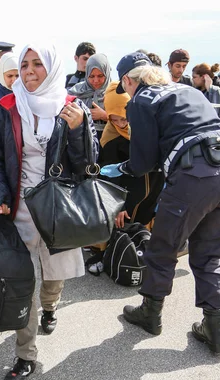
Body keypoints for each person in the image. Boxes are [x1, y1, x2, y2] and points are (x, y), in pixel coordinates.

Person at [100, 52, 220, 355]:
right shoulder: (188, 91)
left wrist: (121, 168)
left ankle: (150, 314)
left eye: (124, 86)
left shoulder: (141, 100)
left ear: (128, 80)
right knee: (209, 255)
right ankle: (215, 328)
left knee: (163, 247)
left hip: (195, 173)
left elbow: (142, 163)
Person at [0, 44, 98, 380]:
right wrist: (0, 196)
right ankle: (25, 355)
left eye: (37, 64)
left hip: (58, 209)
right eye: (25, 64)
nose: (30, 71)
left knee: (53, 276)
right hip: (18, 208)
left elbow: (87, 164)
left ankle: (51, 306)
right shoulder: (8, 106)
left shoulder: (72, 108)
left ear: (51, 68)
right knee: (23, 283)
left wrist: (79, 130)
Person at [86, 80, 165, 274]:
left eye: (126, 118)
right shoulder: (111, 139)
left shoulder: (149, 130)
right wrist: (118, 205)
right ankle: (110, 256)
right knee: (121, 228)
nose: (123, 124)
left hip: (152, 191)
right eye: (116, 120)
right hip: (126, 199)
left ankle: (142, 254)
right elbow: (107, 177)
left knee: (145, 224)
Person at [68, 53, 111, 141]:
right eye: (91, 76)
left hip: (109, 144)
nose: (96, 80)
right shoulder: (76, 91)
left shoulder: (115, 92)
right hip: (81, 142)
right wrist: (83, 116)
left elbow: (126, 121)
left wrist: (104, 116)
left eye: (100, 76)